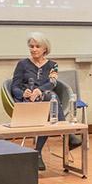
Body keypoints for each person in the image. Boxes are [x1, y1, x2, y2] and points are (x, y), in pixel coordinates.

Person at [10, 32, 69, 171]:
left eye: (37, 46)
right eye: (31, 46)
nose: (34, 49)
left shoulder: (53, 65)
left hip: (45, 103)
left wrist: (40, 91)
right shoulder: (22, 64)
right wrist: (23, 93)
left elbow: (53, 82)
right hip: (27, 102)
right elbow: (14, 87)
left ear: (45, 49)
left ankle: (37, 151)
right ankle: (68, 134)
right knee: (51, 99)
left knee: (49, 97)